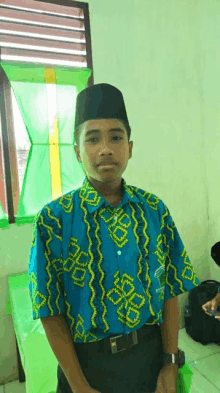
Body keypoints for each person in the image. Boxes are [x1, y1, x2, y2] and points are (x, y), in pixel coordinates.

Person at [28, 83, 220, 393]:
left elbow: (170, 289)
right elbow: (50, 310)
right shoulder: (54, 221)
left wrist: (170, 363)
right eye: (92, 138)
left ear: (129, 147)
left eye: (116, 137)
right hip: (86, 367)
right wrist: (79, 386)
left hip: (149, 357)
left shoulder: (154, 211)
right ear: (77, 151)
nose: (105, 148)